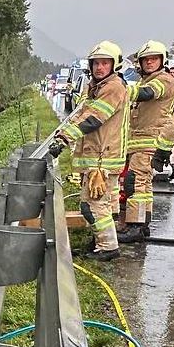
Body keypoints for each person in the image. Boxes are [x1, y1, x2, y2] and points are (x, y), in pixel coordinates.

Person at [48, 41, 129, 260]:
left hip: (102, 160)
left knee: (91, 205)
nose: (99, 68)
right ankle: (100, 242)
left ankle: (108, 248)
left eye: (104, 63)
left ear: (114, 66)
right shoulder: (97, 87)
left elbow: (93, 119)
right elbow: (80, 113)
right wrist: (60, 133)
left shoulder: (113, 87)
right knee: (103, 204)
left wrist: (65, 138)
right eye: (96, 63)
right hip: (99, 157)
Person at [118, 41, 174, 243]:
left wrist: (123, 91)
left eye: (154, 59)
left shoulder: (164, 80)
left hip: (148, 142)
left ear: (162, 61)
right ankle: (143, 225)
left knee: (134, 182)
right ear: (140, 63)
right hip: (138, 143)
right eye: (146, 59)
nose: (150, 62)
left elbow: (149, 93)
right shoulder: (146, 80)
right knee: (144, 186)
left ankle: (134, 226)